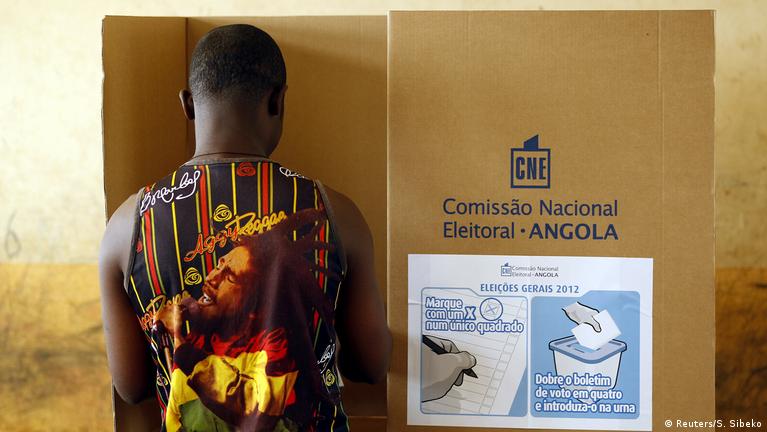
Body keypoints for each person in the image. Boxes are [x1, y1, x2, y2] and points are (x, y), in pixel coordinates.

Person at [99, 24, 391, 432]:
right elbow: (370, 366)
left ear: (188, 104)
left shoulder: (127, 225)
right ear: (277, 100)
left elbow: (131, 387)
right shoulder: (335, 213)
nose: (213, 277)